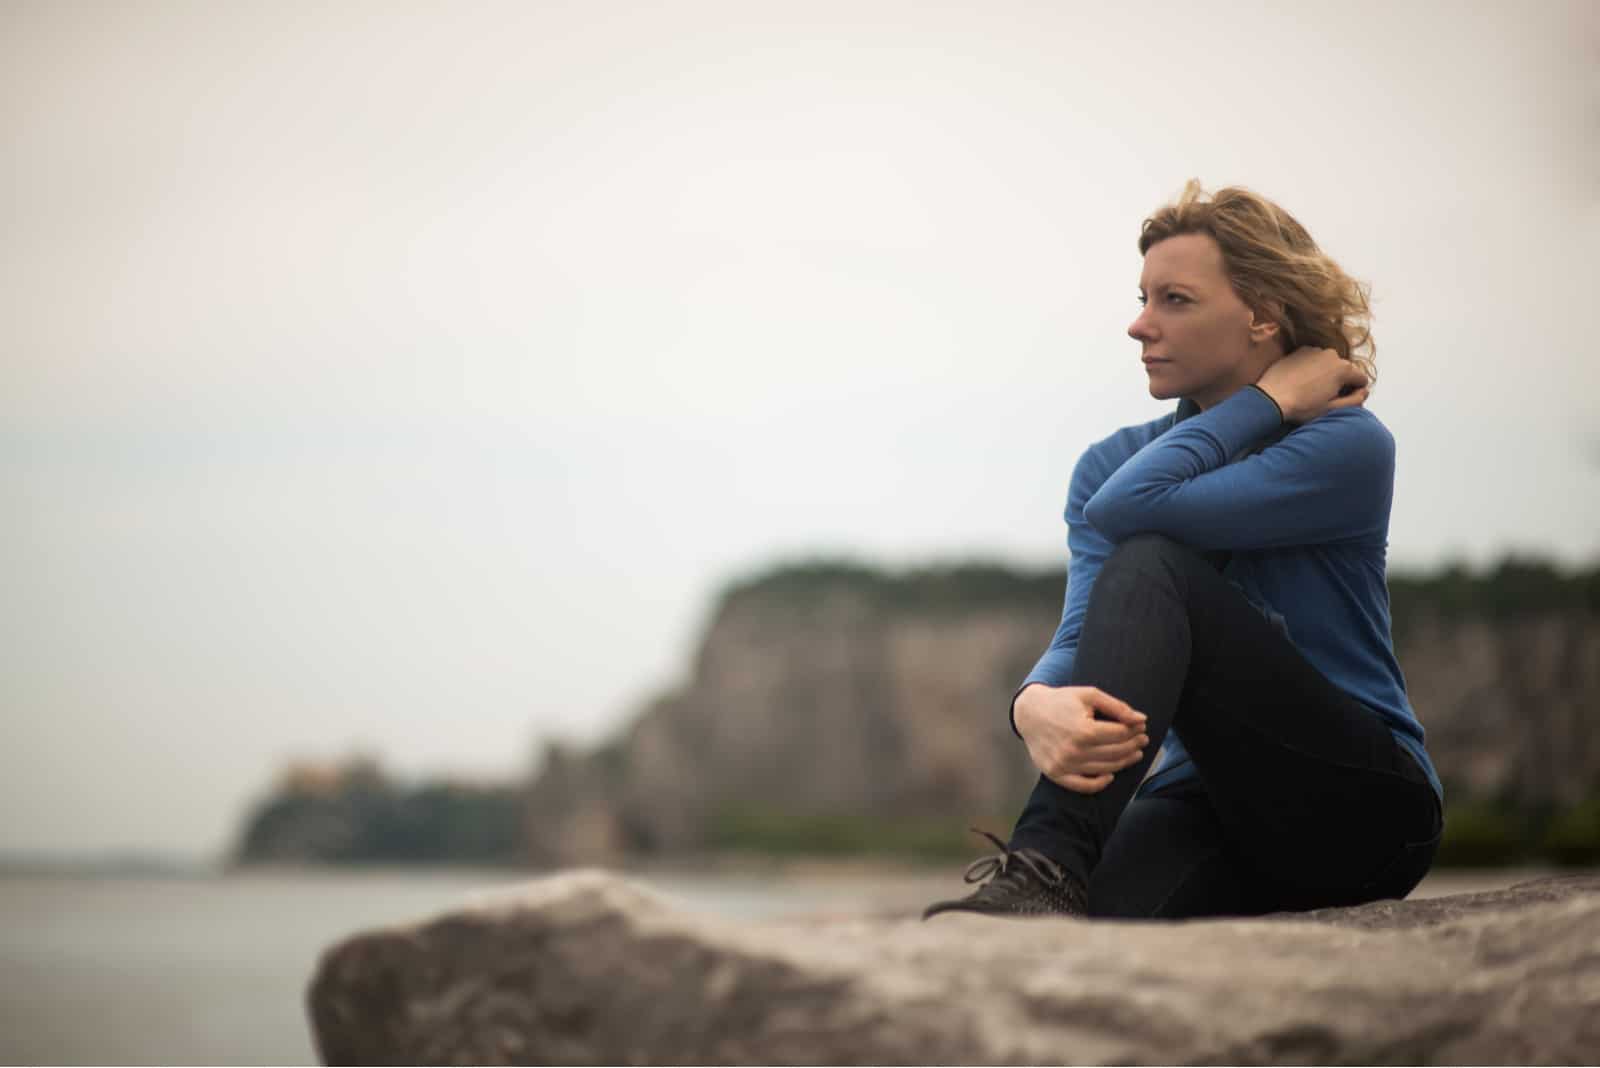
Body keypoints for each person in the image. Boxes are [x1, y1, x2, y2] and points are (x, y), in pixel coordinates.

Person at [922, 179, 1444, 921]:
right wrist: (1032, 705)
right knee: (1081, 939)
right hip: (1206, 806)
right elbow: (1084, 632)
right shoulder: (1115, 464)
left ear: (1263, 315)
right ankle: (1049, 880)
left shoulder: (1343, 444)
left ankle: (1047, 865)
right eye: (1142, 297)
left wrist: (1267, 406)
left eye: (1175, 299)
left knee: (1151, 562)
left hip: (1360, 808)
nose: (1139, 326)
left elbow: (1136, 514)